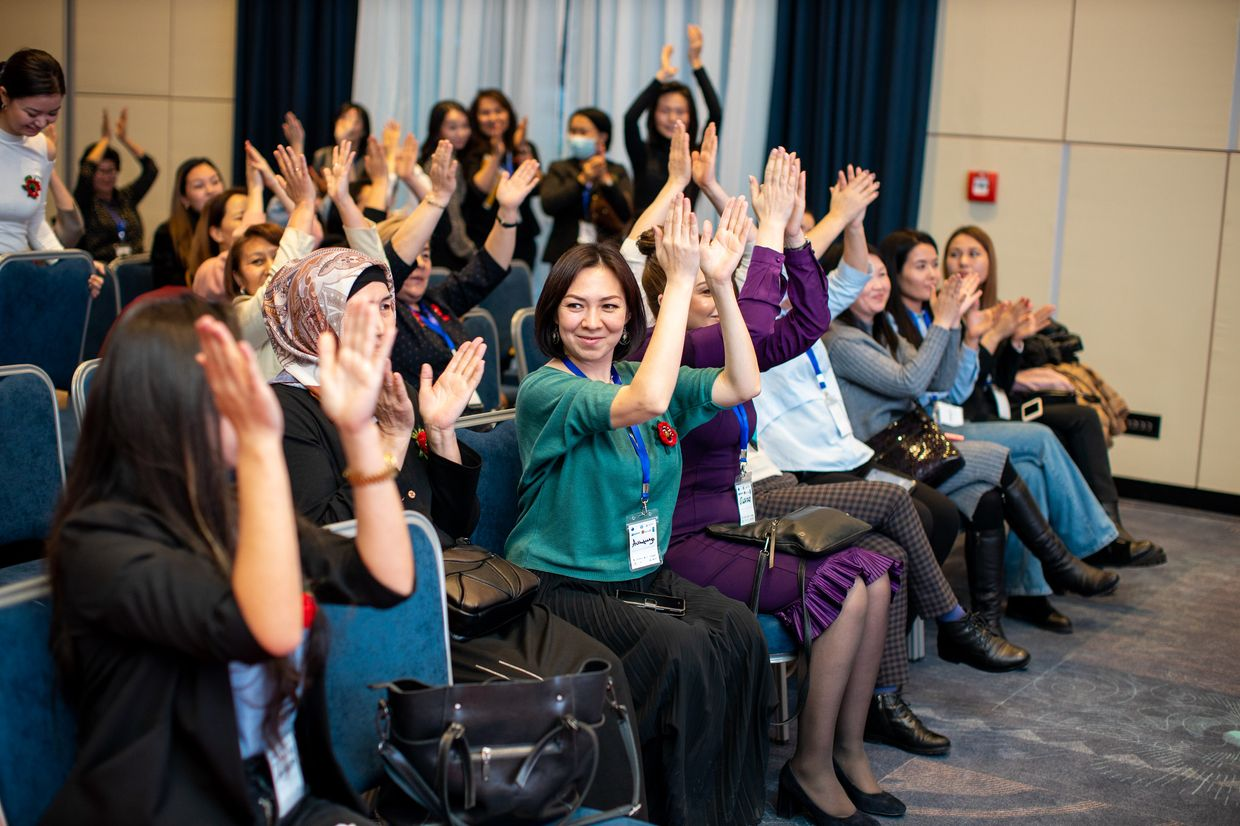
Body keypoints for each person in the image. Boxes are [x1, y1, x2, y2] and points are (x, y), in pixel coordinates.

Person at [263, 245, 644, 814]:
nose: (383, 325)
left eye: (387, 308)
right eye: (363, 312)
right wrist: (389, 449)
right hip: (387, 615)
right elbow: (324, 534)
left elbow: (453, 523)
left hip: (457, 591)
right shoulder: (289, 411)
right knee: (559, 691)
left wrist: (440, 431)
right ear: (319, 320)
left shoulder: (380, 388)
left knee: (598, 669)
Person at [45, 292, 414, 823]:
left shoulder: (233, 511)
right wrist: (261, 445)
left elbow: (389, 577)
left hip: (289, 804)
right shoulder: (98, 541)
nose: (253, 393)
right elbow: (269, 627)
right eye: (229, 382)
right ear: (166, 403)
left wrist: (358, 432)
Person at [636, 154, 912, 825]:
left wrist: (789, 238)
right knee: (846, 583)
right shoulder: (668, 349)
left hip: (732, 523)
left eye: (720, 287)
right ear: (674, 298)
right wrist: (763, 235)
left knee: (876, 570)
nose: (718, 296)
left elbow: (807, 321)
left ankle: (846, 750)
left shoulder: (723, 349)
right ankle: (809, 765)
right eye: (707, 289)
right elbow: (756, 328)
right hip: (684, 538)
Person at [504, 197, 770, 826]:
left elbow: (742, 384)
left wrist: (722, 284)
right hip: (562, 585)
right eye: (575, 305)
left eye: (608, 306)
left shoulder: (635, 369)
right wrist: (679, 278)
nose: (591, 321)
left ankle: (734, 812)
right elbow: (647, 400)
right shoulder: (548, 389)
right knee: (685, 652)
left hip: (637, 576)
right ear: (554, 315)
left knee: (741, 631)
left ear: (629, 318)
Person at [824, 238, 1121, 641]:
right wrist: (945, 321)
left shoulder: (879, 331)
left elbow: (941, 383)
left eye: (881, 276)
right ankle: (1061, 560)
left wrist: (960, 331)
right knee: (1002, 455)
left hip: (911, 443)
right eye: (867, 277)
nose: (879, 285)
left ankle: (989, 623)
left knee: (987, 495)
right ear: (840, 282)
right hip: (881, 458)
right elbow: (909, 381)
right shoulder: (841, 338)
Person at [942, 225, 1164, 570]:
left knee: (1081, 416)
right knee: (1046, 443)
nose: (964, 261)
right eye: (955, 254)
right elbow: (961, 386)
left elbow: (998, 378)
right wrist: (993, 336)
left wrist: (1016, 341)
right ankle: (1091, 545)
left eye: (973, 253)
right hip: (973, 416)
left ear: (990, 262)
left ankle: (1104, 528)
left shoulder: (993, 307)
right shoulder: (947, 309)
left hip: (997, 406)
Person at [382, 139, 540, 384]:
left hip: (472, 416)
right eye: (413, 256)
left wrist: (507, 211)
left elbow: (489, 268)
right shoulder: (383, 312)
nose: (421, 265)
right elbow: (391, 270)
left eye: (426, 255)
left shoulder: (436, 301)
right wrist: (437, 197)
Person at [624, 24, 722, 212]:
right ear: (653, 114)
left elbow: (716, 113)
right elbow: (630, 119)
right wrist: (661, 77)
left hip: (682, 237)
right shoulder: (643, 153)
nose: (672, 118)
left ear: (690, 115)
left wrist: (696, 62)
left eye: (679, 111)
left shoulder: (696, 154)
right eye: (664, 110)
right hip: (641, 238)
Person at [540, 107, 633, 265]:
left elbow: (625, 213)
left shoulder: (616, 170)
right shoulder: (559, 167)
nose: (576, 136)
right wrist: (582, 179)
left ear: (602, 137)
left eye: (583, 132)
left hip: (607, 251)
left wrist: (606, 180)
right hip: (565, 252)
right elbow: (548, 204)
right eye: (573, 131)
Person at [461, 89, 540, 265]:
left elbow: (537, 187)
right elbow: (478, 191)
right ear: (475, 118)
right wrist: (496, 155)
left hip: (522, 235)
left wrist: (520, 149)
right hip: (483, 235)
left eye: (498, 111)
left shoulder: (523, 146)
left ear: (508, 113)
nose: (493, 117)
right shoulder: (469, 149)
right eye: (485, 113)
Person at [74, 107, 159, 261]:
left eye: (111, 170)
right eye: (101, 171)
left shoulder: (126, 197)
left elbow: (151, 170)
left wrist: (124, 139)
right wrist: (105, 139)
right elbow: (86, 170)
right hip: (101, 270)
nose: (107, 177)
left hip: (132, 267)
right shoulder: (84, 201)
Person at [414, 100, 474, 271]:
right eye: (453, 127)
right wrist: (470, 252)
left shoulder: (439, 157)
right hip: (445, 248)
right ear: (438, 129)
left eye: (465, 126)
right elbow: (452, 215)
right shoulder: (445, 162)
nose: (461, 133)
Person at [149, 156, 225, 288]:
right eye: (199, 186)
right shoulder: (167, 233)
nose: (210, 190)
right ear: (184, 199)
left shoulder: (231, 225)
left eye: (215, 181)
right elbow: (168, 290)